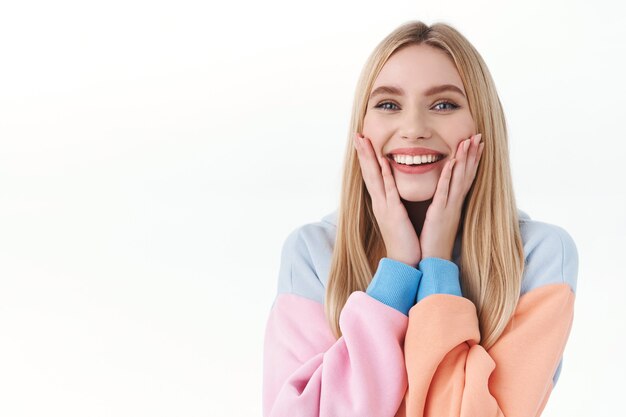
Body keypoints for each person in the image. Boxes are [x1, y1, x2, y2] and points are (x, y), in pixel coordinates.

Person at [262, 20, 578, 417]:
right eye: (388, 104)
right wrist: (395, 273)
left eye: (444, 104)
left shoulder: (539, 257)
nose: (413, 129)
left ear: (482, 124)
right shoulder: (311, 252)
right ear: (362, 128)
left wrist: (437, 269)